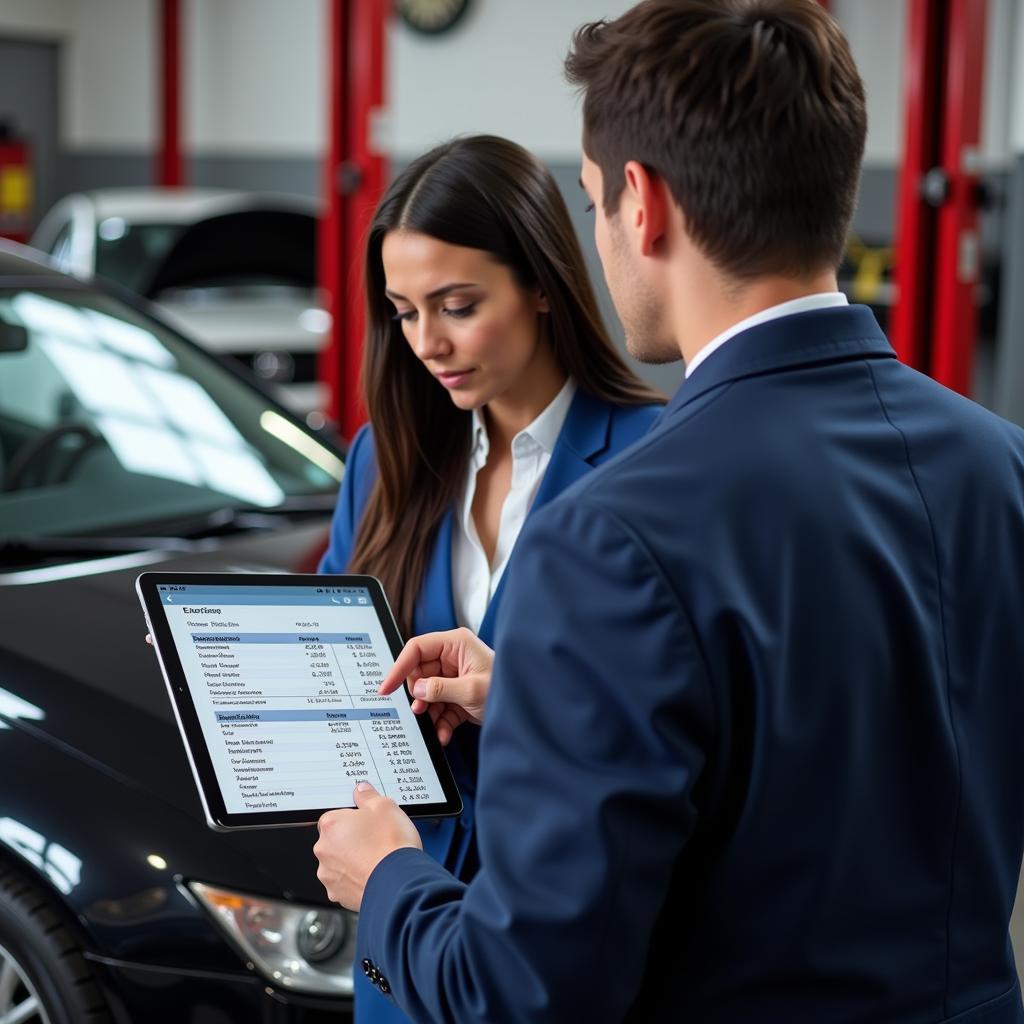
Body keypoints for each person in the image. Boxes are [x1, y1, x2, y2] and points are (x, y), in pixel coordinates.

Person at [314, 2, 1024, 1021]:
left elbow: (522, 998)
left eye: (595, 200)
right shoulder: (996, 463)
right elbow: (813, 766)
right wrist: (537, 706)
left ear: (640, 205)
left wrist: (387, 878)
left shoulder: (611, 530)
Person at [316, 134, 663, 1022]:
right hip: (402, 942)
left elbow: (680, 734)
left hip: (560, 955)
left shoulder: (655, 465)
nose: (428, 343)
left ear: (542, 284)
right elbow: (341, 681)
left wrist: (517, 696)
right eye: (402, 311)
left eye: (457, 305)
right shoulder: (383, 461)